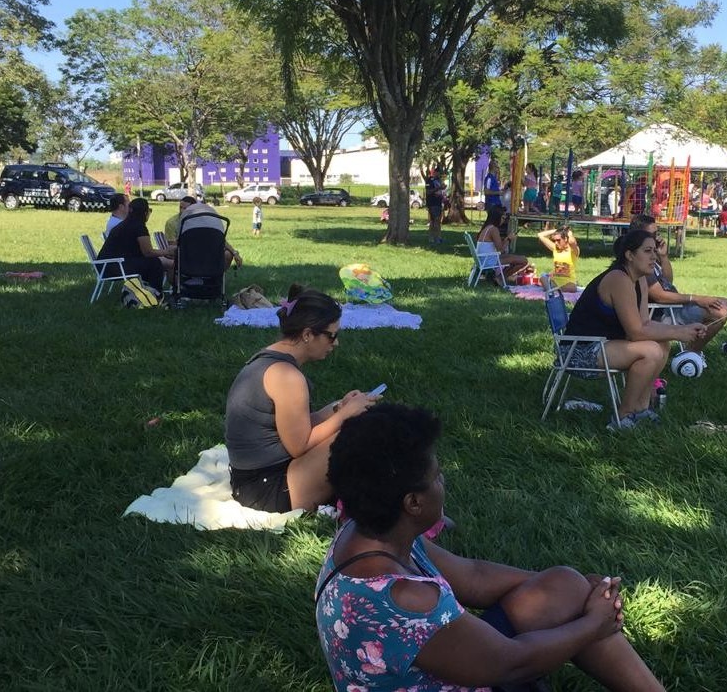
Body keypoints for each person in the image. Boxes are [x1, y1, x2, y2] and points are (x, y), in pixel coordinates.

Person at [316, 403, 666, 692]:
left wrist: (579, 595)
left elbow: (473, 576)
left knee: (565, 585)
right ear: (413, 502)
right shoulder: (405, 598)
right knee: (567, 610)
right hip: (494, 668)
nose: (443, 481)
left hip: (464, 663)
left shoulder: (369, 535)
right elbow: (512, 662)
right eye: (437, 475)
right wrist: (594, 622)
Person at [224, 285, 379, 513]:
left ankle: (396, 503)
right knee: (360, 433)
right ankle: (400, 509)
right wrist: (346, 415)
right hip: (268, 489)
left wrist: (337, 408)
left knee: (359, 429)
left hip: (252, 481)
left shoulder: (269, 358)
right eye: (331, 335)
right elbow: (299, 445)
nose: (335, 343)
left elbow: (293, 426)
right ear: (307, 334)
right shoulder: (287, 376)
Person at [565, 229, 706, 430]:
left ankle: (641, 408)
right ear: (630, 255)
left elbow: (644, 323)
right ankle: (623, 416)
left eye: (654, 251)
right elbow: (636, 332)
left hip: (603, 344)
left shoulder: (639, 279)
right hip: (580, 350)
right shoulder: (618, 279)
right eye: (647, 251)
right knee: (651, 351)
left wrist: (680, 329)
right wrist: (680, 333)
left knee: (661, 344)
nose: (654, 256)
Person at [630, 214, 727, 353]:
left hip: (673, 307)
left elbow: (668, 281)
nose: (657, 238)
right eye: (652, 235)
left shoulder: (652, 255)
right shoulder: (639, 261)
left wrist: (663, 257)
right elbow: (660, 296)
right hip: (662, 313)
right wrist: (697, 299)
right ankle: (690, 354)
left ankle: (691, 352)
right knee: (720, 311)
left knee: (726, 302)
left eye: (657, 233)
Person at [97, 197, 173, 291]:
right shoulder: (139, 227)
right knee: (154, 263)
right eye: (149, 210)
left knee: (151, 262)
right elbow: (148, 252)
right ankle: (155, 293)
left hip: (106, 266)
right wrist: (167, 252)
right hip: (114, 267)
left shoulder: (124, 225)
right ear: (145, 212)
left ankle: (148, 290)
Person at [170, 200, 242, 269]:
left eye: (185, 209)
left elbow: (222, 241)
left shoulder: (206, 226)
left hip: (205, 258)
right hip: (191, 258)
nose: (182, 211)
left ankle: (218, 277)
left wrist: (234, 252)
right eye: (181, 207)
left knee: (227, 254)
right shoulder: (176, 223)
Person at [477, 205, 532, 284]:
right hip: (490, 261)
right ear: (497, 217)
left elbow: (498, 247)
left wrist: (506, 239)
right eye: (503, 218)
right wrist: (509, 239)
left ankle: (499, 277)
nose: (504, 220)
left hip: (486, 258)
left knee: (519, 258)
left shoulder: (487, 227)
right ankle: (500, 278)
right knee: (524, 261)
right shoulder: (493, 229)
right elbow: (501, 250)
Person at [537, 226, 580, 293]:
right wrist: (557, 230)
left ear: (565, 239)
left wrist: (569, 233)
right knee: (543, 277)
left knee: (572, 288)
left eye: (558, 240)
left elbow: (572, 242)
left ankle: (551, 289)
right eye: (554, 241)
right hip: (554, 281)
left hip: (568, 282)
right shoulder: (555, 248)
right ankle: (552, 289)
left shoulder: (573, 251)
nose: (556, 243)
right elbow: (540, 235)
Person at [425, 170, 445, 244]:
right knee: (434, 221)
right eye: (437, 172)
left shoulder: (439, 180)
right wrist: (439, 188)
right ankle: (433, 238)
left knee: (438, 221)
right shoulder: (429, 180)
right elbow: (428, 191)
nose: (439, 174)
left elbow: (441, 190)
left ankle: (438, 237)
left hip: (439, 202)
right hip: (432, 203)